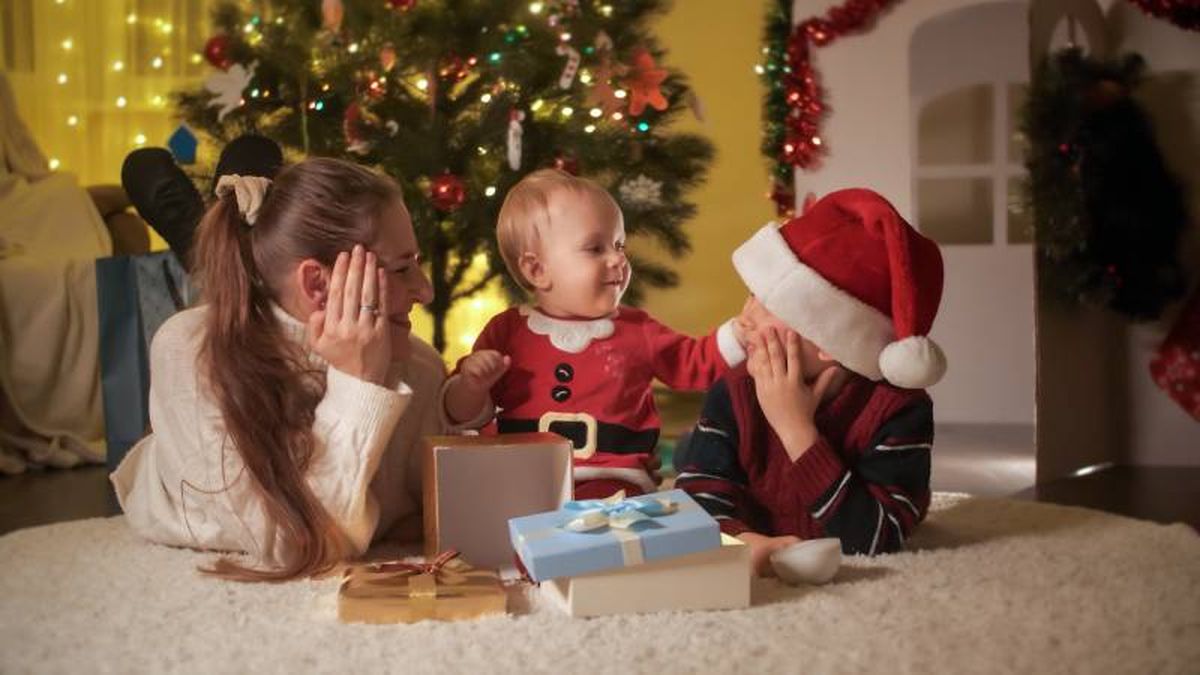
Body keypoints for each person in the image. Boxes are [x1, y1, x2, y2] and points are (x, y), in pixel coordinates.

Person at [110, 157, 484, 581]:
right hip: (192, 506)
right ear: (318, 284)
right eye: (401, 268)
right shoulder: (191, 352)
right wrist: (358, 383)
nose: (425, 290)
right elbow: (298, 546)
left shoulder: (418, 365)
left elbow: (436, 507)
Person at [674, 188, 947, 576]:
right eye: (752, 294)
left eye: (769, 305)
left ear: (828, 342)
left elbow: (876, 539)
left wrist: (796, 429)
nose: (745, 317)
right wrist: (745, 541)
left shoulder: (900, 410)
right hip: (750, 520)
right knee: (692, 461)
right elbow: (695, 498)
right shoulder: (735, 389)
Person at [442, 169, 745, 499]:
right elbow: (460, 415)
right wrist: (472, 386)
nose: (618, 259)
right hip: (521, 474)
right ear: (537, 270)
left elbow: (696, 363)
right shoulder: (508, 332)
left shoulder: (637, 330)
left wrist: (742, 332)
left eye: (619, 245)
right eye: (595, 248)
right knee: (487, 504)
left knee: (601, 516)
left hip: (610, 478)